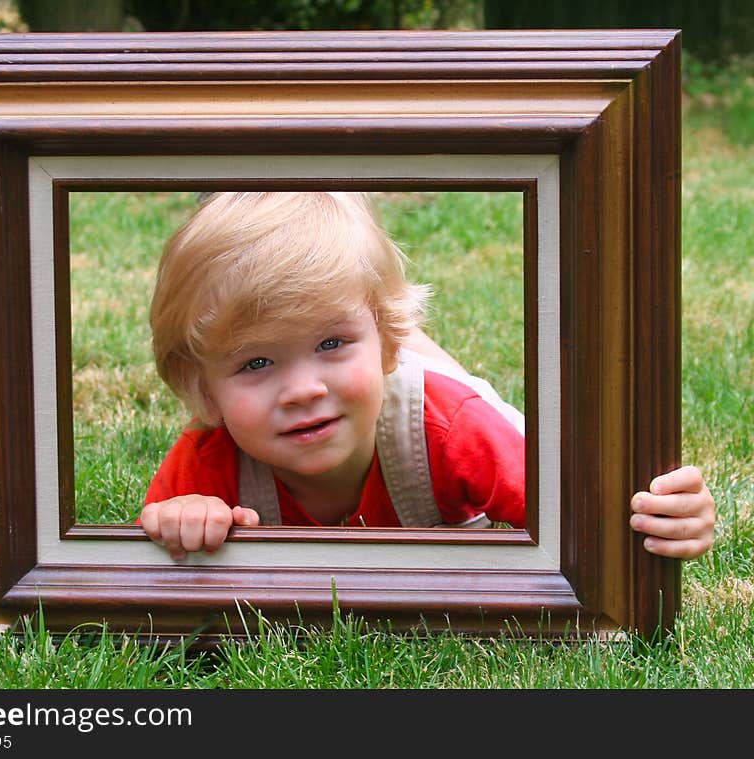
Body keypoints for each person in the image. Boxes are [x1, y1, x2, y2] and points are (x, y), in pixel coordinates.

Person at [140, 191, 715, 563]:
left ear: (386, 347)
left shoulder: (451, 428)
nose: (304, 389)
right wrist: (180, 521)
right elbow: (152, 549)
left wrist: (667, 519)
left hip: (432, 408)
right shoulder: (208, 454)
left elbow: (586, 511)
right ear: (203, 391)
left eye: (330, 343)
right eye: (256, 363)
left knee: (466, 404)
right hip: (385, 376)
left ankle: (408, 342)